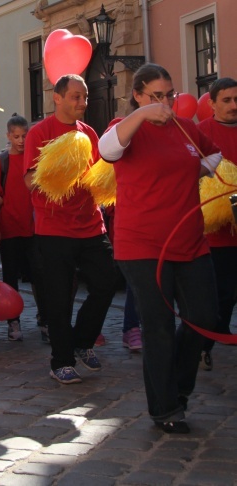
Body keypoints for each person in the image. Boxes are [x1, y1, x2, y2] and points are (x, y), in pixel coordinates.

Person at [98, 63, 220, 433]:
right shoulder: (126, 128)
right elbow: (108, 150)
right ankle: (165, 408)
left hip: (190, 241)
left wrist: (197, 170)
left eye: (170, 95)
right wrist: (143, 114)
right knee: (159, 327)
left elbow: (212, 155)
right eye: (157, 96)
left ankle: (179, 390)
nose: (166, 102)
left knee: (204, 319)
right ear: (137, 95)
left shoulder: (186, 128)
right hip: (143, 245)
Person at [24, 74, 116, 385]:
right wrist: (58, 171)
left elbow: (99, 175)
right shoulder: (40, 133)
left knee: (107, 283)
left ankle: (82, 340)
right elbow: (29, 180)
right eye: (76, 97)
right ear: (58, 98)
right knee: (59, 298)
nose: (82, 103)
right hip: (54, 229)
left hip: (91, 224)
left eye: (85, 97)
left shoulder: (90, 133)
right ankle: (60, 361)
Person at [0, 114, 45, 342]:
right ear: (8, 136)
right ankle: (14, 323)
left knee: (39, 278)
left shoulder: (36, 160)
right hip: (10, 229)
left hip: (34, 229)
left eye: (25, 136)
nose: (21, 141)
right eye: (16, 136)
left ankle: (44, 320)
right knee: (10, 278)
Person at [196, 77, 237, 371]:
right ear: (211, 104)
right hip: (218, 234)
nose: (234, 106)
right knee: (222, 295)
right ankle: (203, 345)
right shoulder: (200, 133)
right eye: (227, 100)